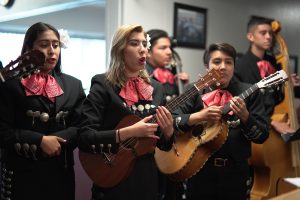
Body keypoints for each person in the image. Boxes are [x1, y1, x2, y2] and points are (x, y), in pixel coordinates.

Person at [78, 24, 175, 200]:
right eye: (134, 44)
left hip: (147, 178)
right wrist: (129, 132)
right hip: (111, 174)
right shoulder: (103, 84)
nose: (142, 50)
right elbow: (85, 137)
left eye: (144, 44)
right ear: (120, 49)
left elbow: (161, 144)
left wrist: (168, 133)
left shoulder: (157, 88)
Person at [0, 22, 86, 200]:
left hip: (60, 175)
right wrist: (39, 140)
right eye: (44, 45)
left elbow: (81, 126)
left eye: (55, 45)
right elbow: (3, 131)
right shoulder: (12, 85)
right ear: (29, 49)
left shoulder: (73, 85)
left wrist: (59, 140)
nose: (52, 50)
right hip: (23, 175)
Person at [172, 43, 269, 200]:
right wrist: (199, 116)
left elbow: (262, 135)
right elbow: (170, 120)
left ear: (234, 67)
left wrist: (245, 116)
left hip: (236, 174)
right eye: (217, 62)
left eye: (228, 62)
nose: (223, 67)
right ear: (207, 66)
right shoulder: (194, 90)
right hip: (198, 171)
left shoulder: (250, 91)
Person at [146, 29, 189, 200]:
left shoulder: (172, 75)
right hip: (153, 143)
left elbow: (177, 109)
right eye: (162, 48)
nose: (169, 52)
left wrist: (184, 90)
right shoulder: (144, 77)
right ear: (148, 52)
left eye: (169, 47)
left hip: (172, 139)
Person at [234, 17, 295, 135]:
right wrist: (271, 122)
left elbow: (278, 97)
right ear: (250, 36)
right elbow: (240, 105)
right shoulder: (239, 67)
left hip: (280, 121)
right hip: (255, 127)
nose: (268, 37)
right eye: (263, 33)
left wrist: (288, 86)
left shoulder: (274, 62)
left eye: (270, 33)